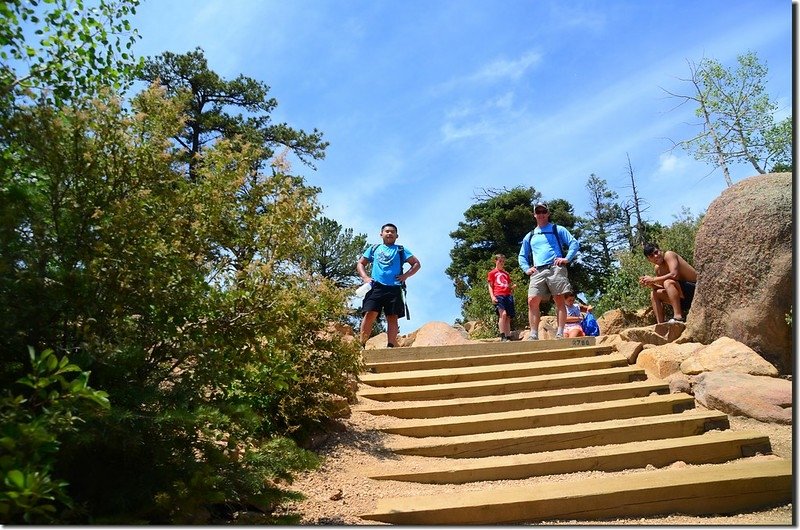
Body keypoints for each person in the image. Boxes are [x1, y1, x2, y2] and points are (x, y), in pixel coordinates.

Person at [518, 202, 580, 340]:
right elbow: (522, 255)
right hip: (537, 271)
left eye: (543, 211)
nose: (541, 214)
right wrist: (526, 268)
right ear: (534, 215)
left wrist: (567, 258)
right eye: (538, 212)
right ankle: (533, 334)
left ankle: (560, 332)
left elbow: (574, 243)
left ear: (548, 213)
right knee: (532, 300)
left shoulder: (557, 229)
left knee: (559, 299)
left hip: (555, 267)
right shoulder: (530, 235)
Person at [356, 223, 421, 348]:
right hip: (375, 286)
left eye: (392, 232)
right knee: (370, 314)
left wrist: (405, 276)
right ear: (381, 234)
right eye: (387, 231)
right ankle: (362, 344)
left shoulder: (401, 250)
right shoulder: (374, 248)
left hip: (394, 288)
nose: (389, 233)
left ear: (397, 235)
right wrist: (365, 277)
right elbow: (360, 263)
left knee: (392, 317)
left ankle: (391, 345)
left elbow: (416, 264)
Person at [638, 242, 697, 324]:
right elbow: (666, 289)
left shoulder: (669, 255)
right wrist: (650, 284)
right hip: (683, 297)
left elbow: (674, 274)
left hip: (696, 290)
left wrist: (653, 279)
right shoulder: (657, 269)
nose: (656, 256)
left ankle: (678, 317)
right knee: (654, 293)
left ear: (660, 250)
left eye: (656, 252)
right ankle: (661, 324)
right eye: (651, 256)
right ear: (649, 259)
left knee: (668, 282)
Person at [486, 254, 516, 342]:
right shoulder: (492, 273)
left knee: (508, 316)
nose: (502, 263)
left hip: (508, 295)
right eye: (500, 261)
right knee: (503, 314)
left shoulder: (506, 274)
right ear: (496, 261)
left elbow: (507, 286)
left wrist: (512, 288)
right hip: (498, 295)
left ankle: (508, 336)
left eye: (503, 261)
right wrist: (492, 296)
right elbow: (490, 286)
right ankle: (502, 335)